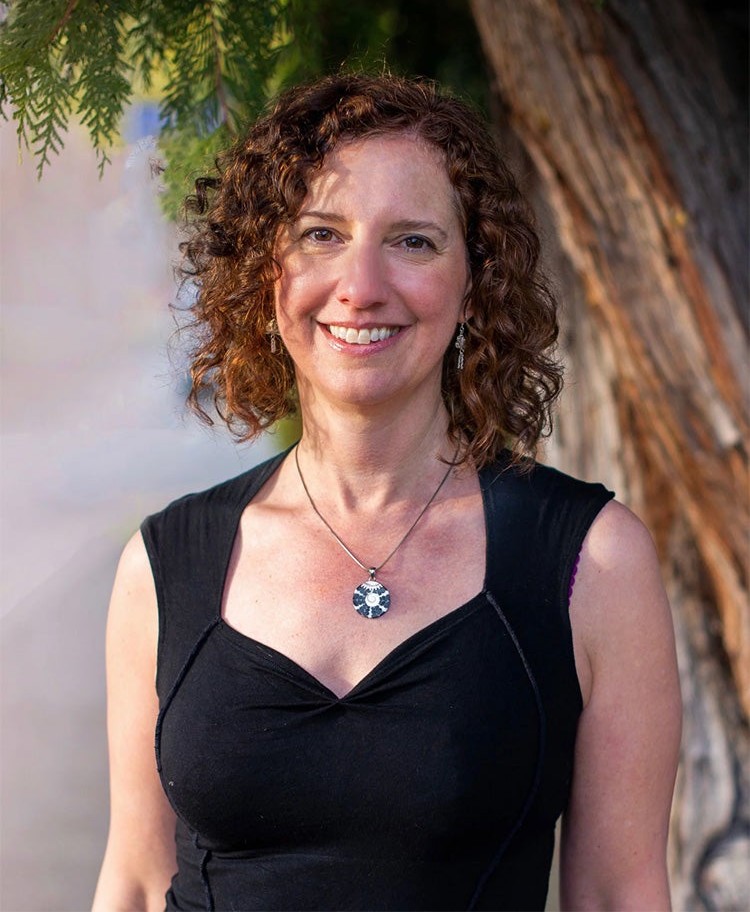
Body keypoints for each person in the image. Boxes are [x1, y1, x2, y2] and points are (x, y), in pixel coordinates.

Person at [92, 73, 681, 912]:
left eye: (413, 241)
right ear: (268, 274)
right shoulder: (163, 566)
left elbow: (620, 893)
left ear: (475, 280)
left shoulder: (591, 560)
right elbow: (139, 883)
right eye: (321, 235)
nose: (361, 285)